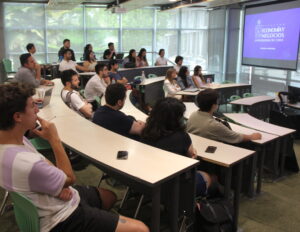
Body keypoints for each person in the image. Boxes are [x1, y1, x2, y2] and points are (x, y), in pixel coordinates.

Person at [0, 83, 149, 232]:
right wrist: (54, 140)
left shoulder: (14, 140)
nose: (38, 110)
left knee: (109, 197)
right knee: (141, 229)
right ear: (18, 116)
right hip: (61, 218)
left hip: (55, 198)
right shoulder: (28, 163)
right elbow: (70, 178)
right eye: (33, 106)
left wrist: (59, 184)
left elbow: (47, 169)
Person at [141, 97, 212, 197]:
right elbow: (192, 156)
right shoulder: (181, 137)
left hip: (148, 181)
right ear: (177, 118)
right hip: (173, 186)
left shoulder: (146, 132)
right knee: (208, 176)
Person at [187, 89, 262, 143]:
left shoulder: (193, 115)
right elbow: (236, 137)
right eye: (217, 102)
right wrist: (251, 136)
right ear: (214, 106)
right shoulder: (214, 125)